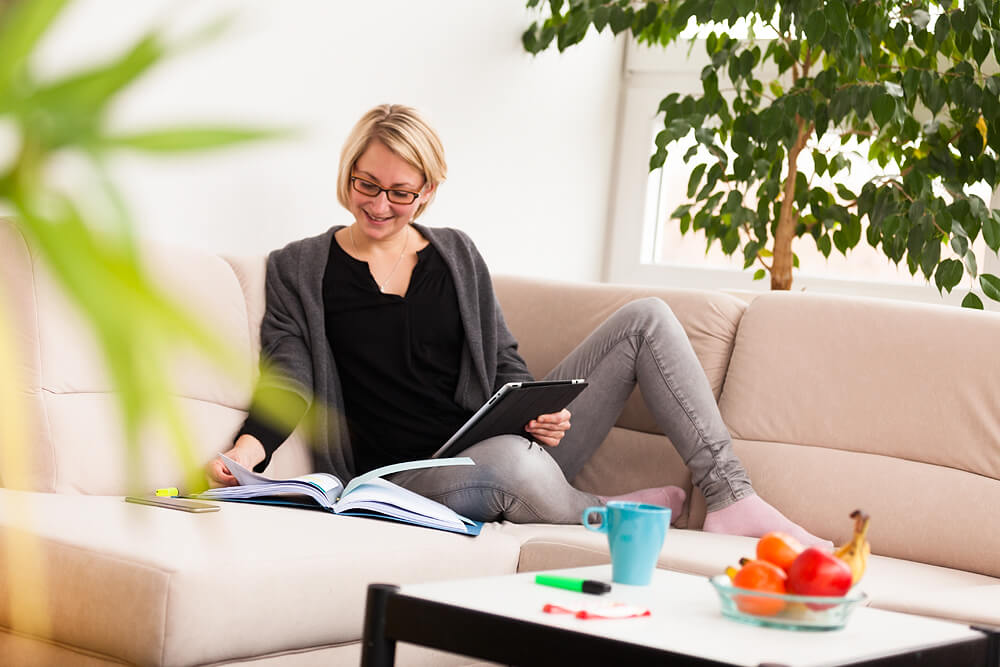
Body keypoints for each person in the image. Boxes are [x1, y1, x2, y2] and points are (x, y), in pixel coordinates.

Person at [206, 103, 826, 545]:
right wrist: (246, 451)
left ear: (427, 191)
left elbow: (502, 361)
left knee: (647, 320)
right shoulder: (300, 268)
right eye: (366, 184)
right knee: (511, 462)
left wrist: (536, 411)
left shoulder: (456, 254)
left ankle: (731, 497)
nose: (379, 204)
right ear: (347, 173)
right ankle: (601, 511)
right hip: (404, 478)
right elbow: (288, 377)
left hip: (497, 438)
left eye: (401, 192)